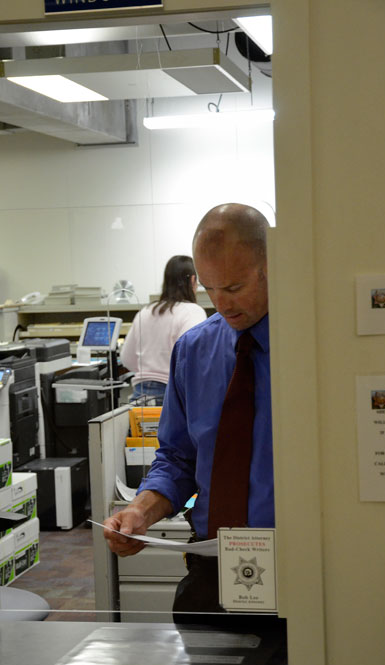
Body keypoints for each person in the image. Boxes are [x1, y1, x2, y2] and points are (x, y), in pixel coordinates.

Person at [103, 203, 274, 623]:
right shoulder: (194, 350)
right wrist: (141, 511)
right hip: (212, 561)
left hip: (300, 561)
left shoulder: (314, 344)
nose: (221, 303)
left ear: (271, 266)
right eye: (209, 289)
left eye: (233, 288)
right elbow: (178, 458)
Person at [120, 255, 206, 405]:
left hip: (140, 399)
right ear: (192, 280)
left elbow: (127, 359)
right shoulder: (193, 312)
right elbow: (193, 360)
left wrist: (151, 368)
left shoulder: (145, 312)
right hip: (173, 399)